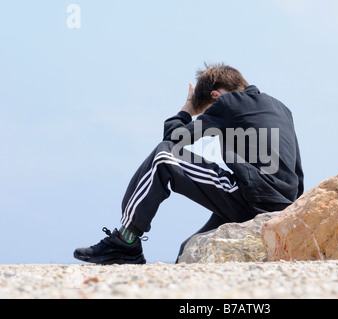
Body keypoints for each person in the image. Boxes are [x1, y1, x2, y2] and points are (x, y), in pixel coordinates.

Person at [73, 63, 304, 264]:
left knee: (164, 156)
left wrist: (188, 111)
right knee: (189, 249)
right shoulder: (281, 108)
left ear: (215, 96)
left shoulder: (228, 102)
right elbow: (297, 171)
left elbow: (174, 138)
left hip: (251, 197)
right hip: (282, 205)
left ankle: (125, 241)